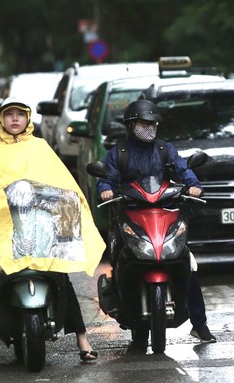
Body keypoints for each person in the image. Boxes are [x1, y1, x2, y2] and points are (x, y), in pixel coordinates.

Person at [0, 97, 106, 366]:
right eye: (9, 114)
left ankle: (82, 339)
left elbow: (60, 184)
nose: (14, 119)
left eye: (19, 115)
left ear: (27, 118)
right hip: (3, 229)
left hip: (40, 228)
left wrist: (68, 203)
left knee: (60, 274)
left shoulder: (41, 148)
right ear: (1, 119)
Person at [96, 98, 216, 347]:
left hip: (166, 214)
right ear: (131, 125)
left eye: (153, 123)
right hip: (130, 215)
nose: (149, 128)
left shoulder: (165, 150)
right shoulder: (119, 153)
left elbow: (183, 170)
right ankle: (120, 303)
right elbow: (106, 178)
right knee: (119, 257)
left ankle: (199, 323)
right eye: (143, 123)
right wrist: (106, 189)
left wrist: (193, 185)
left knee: (189, 263)